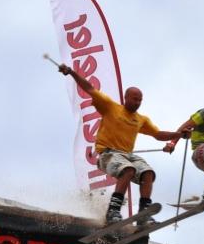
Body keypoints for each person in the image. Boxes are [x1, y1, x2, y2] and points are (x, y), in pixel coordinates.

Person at [58, 64, 179, 224]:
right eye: (135, 99)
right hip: (108, 154)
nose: (137, 103)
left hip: (128, 156)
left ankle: (143, 214)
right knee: (128, 170)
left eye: (140, 100)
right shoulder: (110, 107)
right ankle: (113, 211)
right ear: (126, 97)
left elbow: (158, 134)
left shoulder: (141, 119)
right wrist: (71, 72)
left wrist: (178, 135)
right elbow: (89, 88)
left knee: (148, 173)